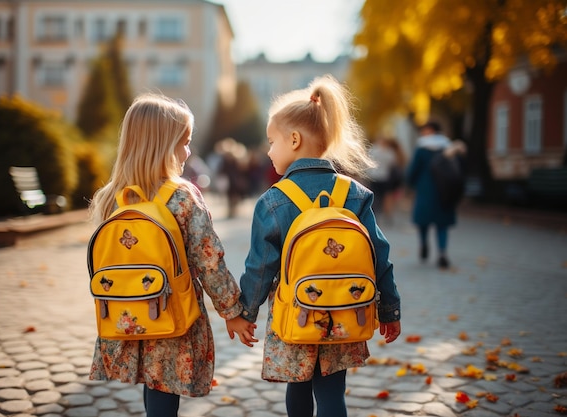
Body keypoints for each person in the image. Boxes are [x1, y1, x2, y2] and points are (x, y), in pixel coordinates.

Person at [237, 75, 402, 417]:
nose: (268, 151)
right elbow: (379, 255)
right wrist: (390, 309)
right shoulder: (354, 193)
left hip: (295, 312)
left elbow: (260, 266)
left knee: (297, 387)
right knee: (331, 392)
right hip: (345, 309)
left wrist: (245, 314)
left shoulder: (273, 201)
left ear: (294, 140)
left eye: (272, 142)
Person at [87, 93, 256, 417]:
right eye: (185, 142)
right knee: (164, 388)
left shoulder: (112, 198)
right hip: (173, 313)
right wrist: (231, 310)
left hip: (126, 309)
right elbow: (209, 260)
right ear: (165, 145)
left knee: (153, 388)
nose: (188, 151)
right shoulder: (181, 197)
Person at [406, 120, 466, 269]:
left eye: (424, 130)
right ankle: (442, 252)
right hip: (444, 190)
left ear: (430, 130)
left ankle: (424, 244)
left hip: (425, 189)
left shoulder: (422, 148)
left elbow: (413, 170)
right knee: (442, 224)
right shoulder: (448, 147)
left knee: (423, 221)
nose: (422, 133)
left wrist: (410, 184)